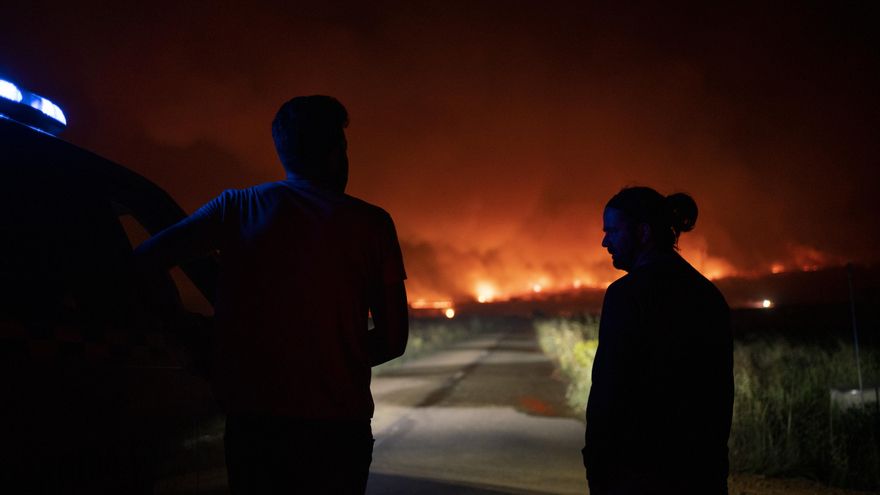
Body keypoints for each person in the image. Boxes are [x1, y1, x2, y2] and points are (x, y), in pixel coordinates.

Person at [135, 95, 409, 494]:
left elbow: (144, 261)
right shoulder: (372, 225)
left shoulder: (236, 208)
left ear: (285, 152)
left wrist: (191, 334)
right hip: (337, 432)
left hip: (256, 427)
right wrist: (331, 358)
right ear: (336, 154)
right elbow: (393, 338)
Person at [583, 186, 733, 495]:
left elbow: (609, 391)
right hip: (700, 472)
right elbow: (720, 392)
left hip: (638, 473)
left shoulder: (626, 296)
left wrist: (597, 464)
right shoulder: (708, 295)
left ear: (643, 232)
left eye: (612, 231)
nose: (605, 241)